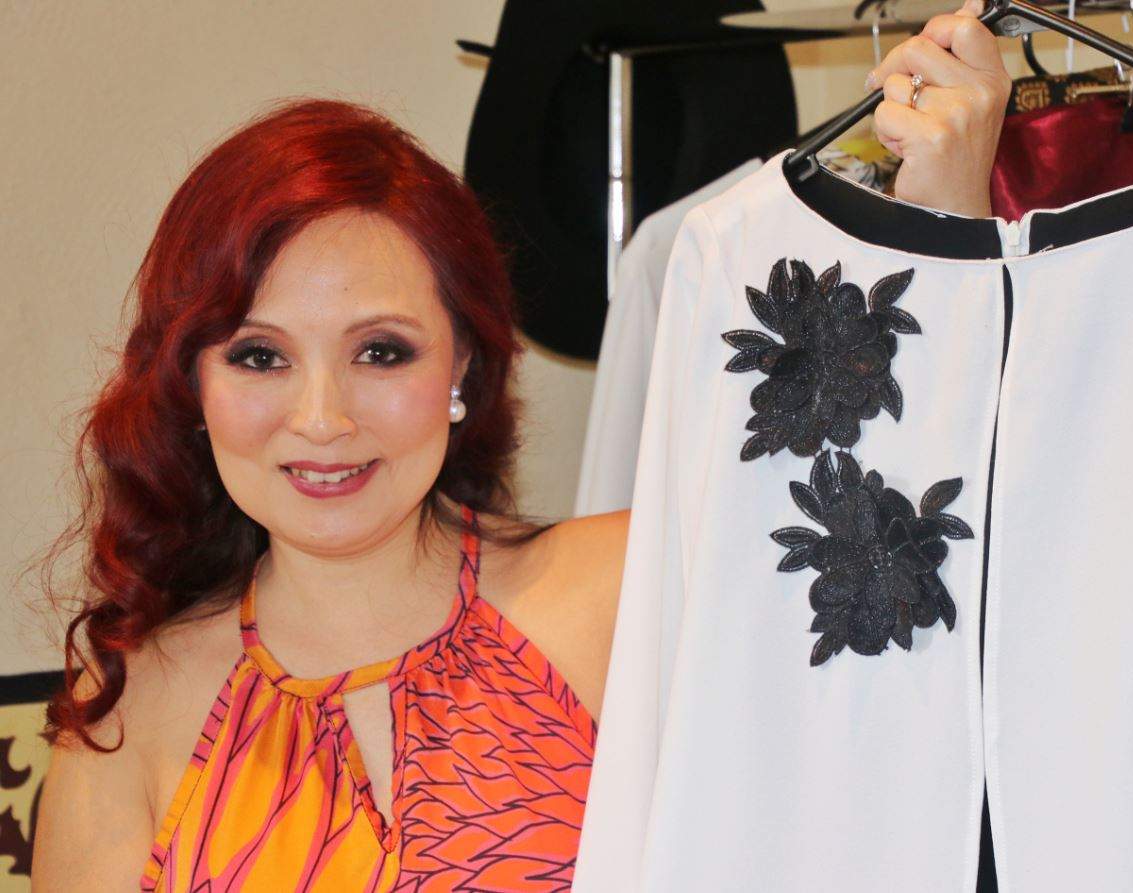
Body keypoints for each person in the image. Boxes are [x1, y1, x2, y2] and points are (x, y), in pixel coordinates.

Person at [31, 6, 1011, 889]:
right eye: (258, 355)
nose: (323, 415)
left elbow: (910, 679)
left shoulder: (628, 592)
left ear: (464, 362)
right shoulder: (132, 701)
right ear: (189, 384)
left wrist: (940, 229)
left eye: (380, 350)